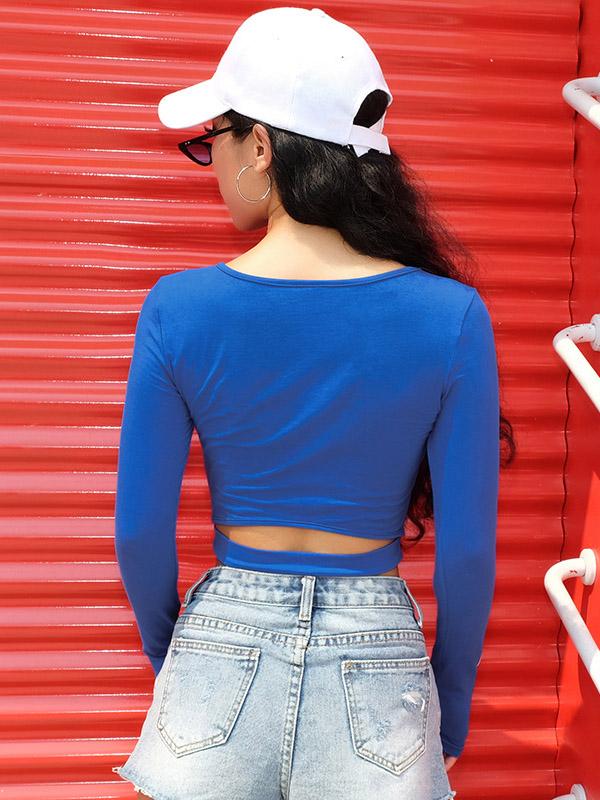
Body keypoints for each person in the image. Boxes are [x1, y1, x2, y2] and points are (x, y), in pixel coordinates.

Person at [112, 7, 514, 799]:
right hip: (380, 653)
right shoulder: (451, 318)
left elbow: (139, 533)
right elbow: (468, 555)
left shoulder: (179, 309)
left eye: (213, 139)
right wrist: (451, 712)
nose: (213, 160)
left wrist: (180, 659)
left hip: (221, 639)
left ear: (260, 146)